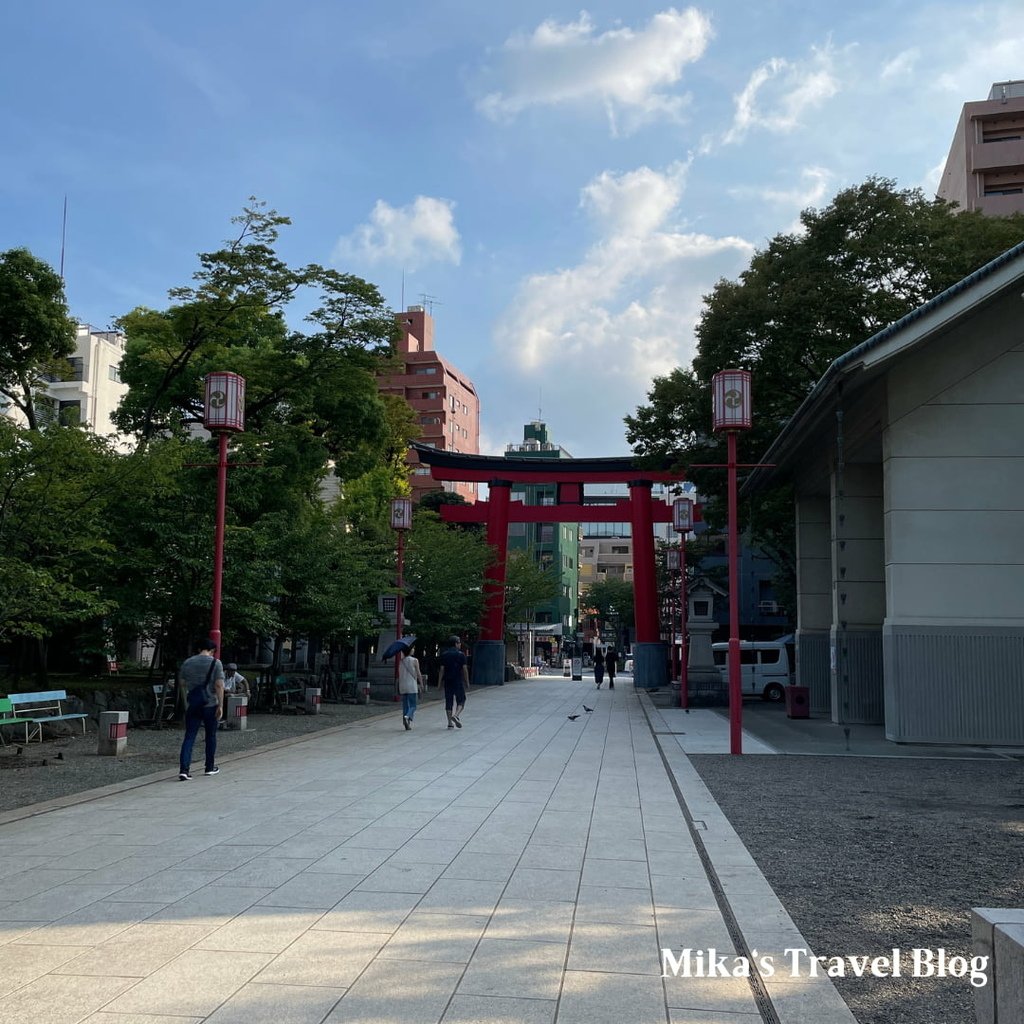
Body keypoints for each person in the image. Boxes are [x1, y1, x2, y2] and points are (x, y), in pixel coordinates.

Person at [178, 638, 225, 780]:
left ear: (199, 649)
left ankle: (184, 770)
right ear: (212, 651)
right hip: (210, 704)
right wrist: (221, 705)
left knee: (189, 736)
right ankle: (209, 767)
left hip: (194, 704)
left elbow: (182, 683)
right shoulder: (216, 663)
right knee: (210, 736)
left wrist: (187, 703)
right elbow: (219, 685)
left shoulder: (187, 662)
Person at [437, 635, 469, 729]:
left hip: (448, 680)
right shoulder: (461, 655)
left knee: (449, 701)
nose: (460, 645)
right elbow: (464, 669)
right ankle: (456, 715)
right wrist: (467, 681)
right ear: (455, 643)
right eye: (459, 643)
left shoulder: (444, 655)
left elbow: (442, 670)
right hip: (458, 680)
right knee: (461, 700)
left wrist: (439, 683)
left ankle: (449, 723)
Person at [398, 646, 424, 730]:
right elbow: (418, 673)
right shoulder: (415, 660)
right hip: (411, 685)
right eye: (412, 648)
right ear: (409, 650)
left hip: (403, 685)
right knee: (413, 705)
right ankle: (407, 716)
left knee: (405, 705)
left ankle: (407, 723)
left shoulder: (401, 661)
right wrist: (421, 683)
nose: (413, 649)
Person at [220, 663, 249, 729]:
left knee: (243, 691)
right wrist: (234, 692)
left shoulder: (235, 674)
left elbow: (244, 681)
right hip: (222, 692)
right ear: (228, 670)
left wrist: (248, 690)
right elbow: (223, 689)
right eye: (231, 671)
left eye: (234, 671)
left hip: (232, 692)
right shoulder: (222, 675)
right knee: (227, 696)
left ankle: (241, 716)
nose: (233, 673)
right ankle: (224, 717)